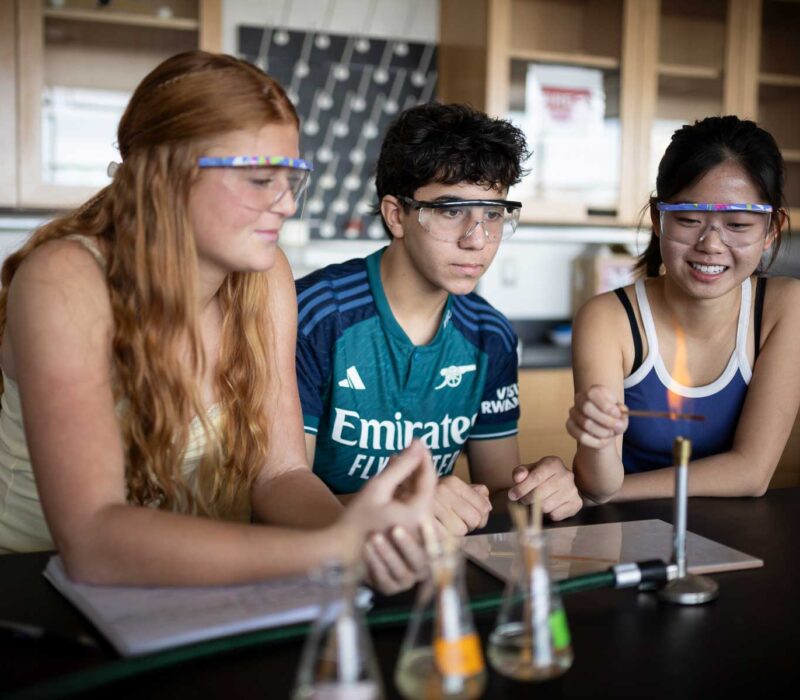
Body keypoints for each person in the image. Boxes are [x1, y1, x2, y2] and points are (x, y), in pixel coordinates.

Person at [0, 51, 436, 587]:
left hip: (210, 592)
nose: (286, 204)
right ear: (166, 177)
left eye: (291, 177)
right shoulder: (65, 280)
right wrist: (331, 546)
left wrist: (367, 540)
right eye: (258, 180)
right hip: (37, 591)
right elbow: (93, 540)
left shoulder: (264, 274)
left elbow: (280, 473)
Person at [295, 102, 582, 581]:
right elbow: (278, 494)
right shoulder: (315, 316)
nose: (478, 239)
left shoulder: (490, 335)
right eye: (451, 212)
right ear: (396, 215)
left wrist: (539, 486)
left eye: (493, 214)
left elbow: (495, 490)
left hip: (429, 575)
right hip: (318, 573)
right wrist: (401, 508)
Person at [567, 115, 800, 502]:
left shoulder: (785, 307)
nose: (711, 244)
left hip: (739, 537)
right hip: (627, 536)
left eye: (738, 225)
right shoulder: (609, 319)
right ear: (659, 219)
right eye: (690, 220)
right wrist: (597, 441)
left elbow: (752, 472)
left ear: (771, 230)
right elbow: (598, 484)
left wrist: (610, 492)